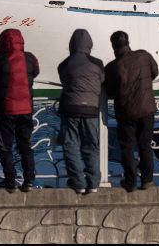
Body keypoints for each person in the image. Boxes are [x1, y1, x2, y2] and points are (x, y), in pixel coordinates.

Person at [0, 29, 40, 193]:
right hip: (27, 109)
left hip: (6, 109)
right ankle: (29, 179)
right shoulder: (30, 58)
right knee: (25, 144)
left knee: (4, 145)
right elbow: (36, 72)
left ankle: (10, 180)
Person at [103, 31, 158, 192]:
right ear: (128, 42)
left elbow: (110, 90)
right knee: (145, 145)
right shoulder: (144, 56)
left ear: (113, 46)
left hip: (126, 112)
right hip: (147, 108)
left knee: (127, 147)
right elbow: (154, 72)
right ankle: (147, 181)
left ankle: (131, 181)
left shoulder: (112, 67)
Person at [58, 29, 105, 194]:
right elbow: (102, 80)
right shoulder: (98, 63)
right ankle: (93, 183)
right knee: (91, 146)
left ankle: (78, 182)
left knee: (70, 145)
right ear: (89, 44)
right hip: (91, 109)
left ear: (71, 44)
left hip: (70, 108)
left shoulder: (64, 64)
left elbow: (64, 81)